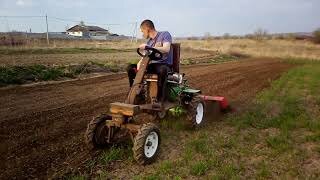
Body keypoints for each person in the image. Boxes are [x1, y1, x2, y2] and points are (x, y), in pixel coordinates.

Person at [127, 19, 173, 103]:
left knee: (162, 70)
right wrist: (139, 64)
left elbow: (166, 49)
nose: (142, 34)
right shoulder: (149, 42)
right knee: (130, 68)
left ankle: (160, 98)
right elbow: (145, 56)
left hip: (164, 64)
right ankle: (135, 94)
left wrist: (149, 47)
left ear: (147, 29)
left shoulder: (165, 34)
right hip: (152, 66)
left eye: (142, 31)